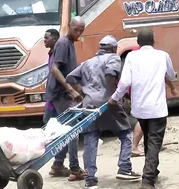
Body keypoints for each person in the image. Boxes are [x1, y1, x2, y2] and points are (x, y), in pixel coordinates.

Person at [66, 35, 141, 188]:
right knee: (126, 133)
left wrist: (83, 93)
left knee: (90, 139)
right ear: (113, 49)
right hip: (108, 103)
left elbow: (70, 77)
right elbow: (110, 74)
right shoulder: (113, 58)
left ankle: (90, 179)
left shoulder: (88, 62)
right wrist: (112, 95)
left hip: (89, 104)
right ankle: (124, 168)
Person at [109, 28, 176, 189]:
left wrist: (114, 98)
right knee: (153, 143)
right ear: (154, 41)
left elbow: (125, 83)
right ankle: (147, 180)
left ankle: (154, 172)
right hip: (157, 109)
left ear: (138, 43)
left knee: (149, 140)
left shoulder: (131, 56)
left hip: (140, 109)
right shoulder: (162, 56)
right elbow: (172, 75)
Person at [45, 16, 86, 181]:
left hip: (62, 93)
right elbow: (55, 69)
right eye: (76, 29)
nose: (78, 33)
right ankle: (75, 169)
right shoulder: (62, 43)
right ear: (70, 26)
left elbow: (71, 72)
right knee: (72, 130)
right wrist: (70, 89)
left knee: (64, 131)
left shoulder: (70, 44)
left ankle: (58, 165)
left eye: (81, 31)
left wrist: (81, 91)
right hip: (60, 93)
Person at [123, 46, 177, 157]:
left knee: (145, 118)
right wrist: (172, 87)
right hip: (142, 92)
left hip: (135, 90)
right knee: (146, 118)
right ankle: (137, 146)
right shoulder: (150, 54)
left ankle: (149, 145)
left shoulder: (134, 54)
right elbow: (163, 75)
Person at [43, 28, 59, 124]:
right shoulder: (51, 54)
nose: (44, 40)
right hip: (51, 97)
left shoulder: (57, 55)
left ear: (54, 39)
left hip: (56, 96)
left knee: (48, 121)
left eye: (46, 38)